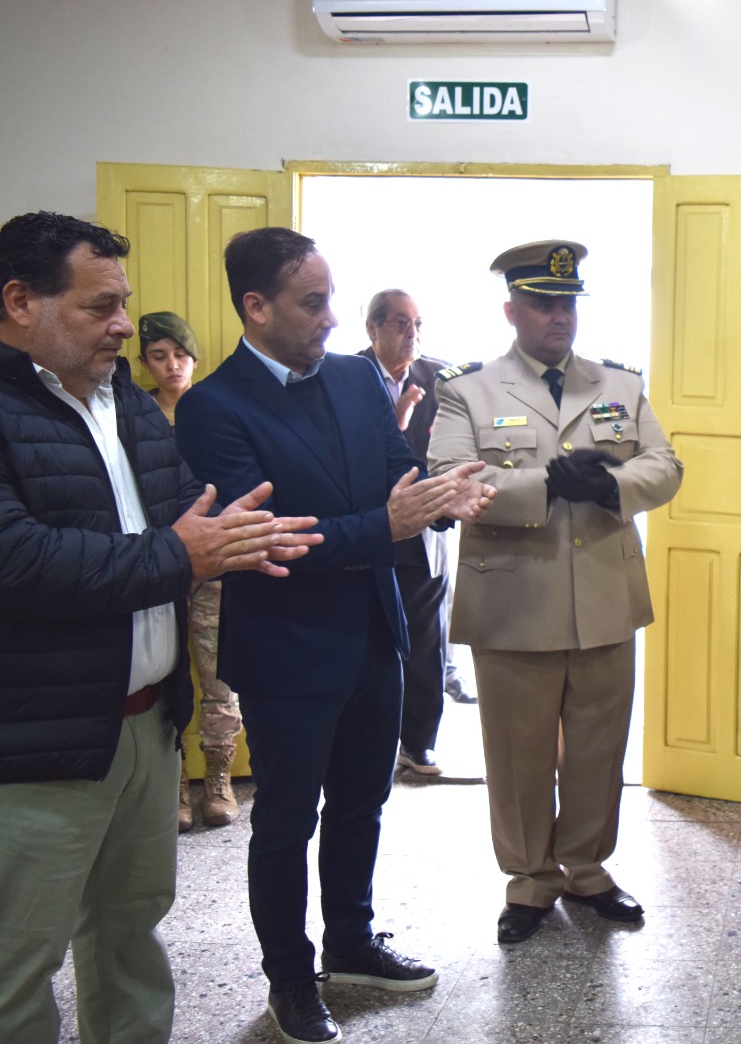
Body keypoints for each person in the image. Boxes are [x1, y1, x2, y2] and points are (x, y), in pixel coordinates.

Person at [0, 211, 318, 1044]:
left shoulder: (128, 405)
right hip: (36, 742)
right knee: (16, 967)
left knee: (129, 938)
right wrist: (183, 553)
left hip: (146, 729)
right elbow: (18, 561)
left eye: (124, 304)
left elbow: (186, 510)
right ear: (19, 302)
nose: (122, 326)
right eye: (98, 306)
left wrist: (245, 536)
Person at [175, 227, 494, 1044]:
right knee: (287, 822)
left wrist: (438, 498)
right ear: (256, 307)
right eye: (311, 303)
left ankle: (351, 942)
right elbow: (267, 540)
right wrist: (387, 523)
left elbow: (396, 474)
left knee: (363, 802)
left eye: (331, 300)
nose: (329, 318)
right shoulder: (214, 407)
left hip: (374, 631)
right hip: (286, 649)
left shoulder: (355, 377)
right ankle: (290, 979)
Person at [428, 239, 683, 943]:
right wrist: (545, 484)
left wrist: (611, 484)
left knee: (599, 746)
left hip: (603, 594)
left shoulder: (620, 384)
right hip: (514, 601)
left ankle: (588, 870)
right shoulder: (467, 390)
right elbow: (451, 480)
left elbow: (665, 466)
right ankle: (530, 879)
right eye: (542, 303)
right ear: (511, 310)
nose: (558, 316)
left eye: (567, 302)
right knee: (519, 752)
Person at [138, 311, 245, 830]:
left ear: (195, 359)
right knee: (167, 676)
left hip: (213, 564)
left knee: (220, 674)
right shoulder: (136, 415)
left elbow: (231, 484)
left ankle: (219, 780)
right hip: (156, 564)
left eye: (180, 355)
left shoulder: (212, 411)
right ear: (144, 363)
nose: (172, 365)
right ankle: (176, 783)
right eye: (159, 356)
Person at [357, 289, 459, 777]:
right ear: (372, 328)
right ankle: (365, 742)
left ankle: (419, 744)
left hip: (425, 530)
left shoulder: (442, 379)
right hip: (367, 526)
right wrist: (393, 428)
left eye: (417, 323)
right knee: (370, 640)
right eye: (400, 323)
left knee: (425, 639)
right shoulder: (345, 376)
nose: (412, 334)